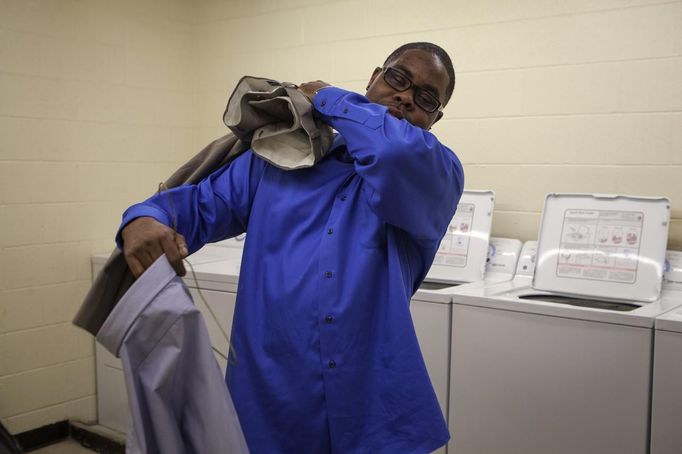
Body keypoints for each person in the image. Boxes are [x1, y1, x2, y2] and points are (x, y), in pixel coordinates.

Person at [118, 42, 464, 453]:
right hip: (272, 402)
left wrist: (330, 97)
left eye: (425, 98)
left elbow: (393, 151)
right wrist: (142, 218)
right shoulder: (281, 159)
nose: (406, 97)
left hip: (373, 411)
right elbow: (197, 206)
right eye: (398, 78)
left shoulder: (435, 174)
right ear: (374, 77)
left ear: (435, 119)